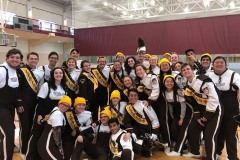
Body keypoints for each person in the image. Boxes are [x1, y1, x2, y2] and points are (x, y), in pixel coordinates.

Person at [181, 63, 222, 160]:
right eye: (183, 70)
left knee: (209, 137)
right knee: (192, 130)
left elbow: (214, 98)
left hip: (215, 109)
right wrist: (197, 116)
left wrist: (207, 116)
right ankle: (195, 152)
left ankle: (211, 158)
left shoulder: (203, 80)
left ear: (192, 70)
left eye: (188, 69)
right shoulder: (187, 85)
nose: (186, 71)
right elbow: (193, 102)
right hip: (202, 110)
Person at [26, 67, 68, 160]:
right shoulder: (46, 85)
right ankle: (29, 157)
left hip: (55, 116)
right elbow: (40, 101)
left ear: (63, 75)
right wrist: (40, 115)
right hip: (44, 113)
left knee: (49, 136)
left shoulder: (65, 87)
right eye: (56, 73)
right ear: (53, 75)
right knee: (36, 135)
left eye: (60, 73)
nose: (58, 74)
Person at [209, 56, 240, 160]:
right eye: (216, 62)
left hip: (231, 108)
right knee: (218, 133)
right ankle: (217, 152)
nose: (219, 64)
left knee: (231, 135)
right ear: (213, 65)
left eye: (221, 62)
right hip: (216, 108)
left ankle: (233, 157)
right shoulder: (209, 75)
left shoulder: (234, 75)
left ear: (226, 64)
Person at [17, 52, 44, 158]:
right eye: (31, 59)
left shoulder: (39, 72)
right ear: (28, 59)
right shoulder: (21, 70)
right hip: (24, 104)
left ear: (38, 60)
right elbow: (17, 88)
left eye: (35, 59)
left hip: (35, 104)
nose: (33, 60)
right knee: (25, 127)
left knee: (33, 128)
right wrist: (19, 103)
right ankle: (23, 151)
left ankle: (30, 149)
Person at [160, 75, 192, 156]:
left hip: (187, 112)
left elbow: (183, 105)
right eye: (167, 81)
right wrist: (172, 116)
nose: (169, 83)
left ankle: (178, 151)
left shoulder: (178, 91)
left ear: (174, 82)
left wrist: (181, 118)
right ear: (164, 83)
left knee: (183, 130)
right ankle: (184, 147)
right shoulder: (164, 92)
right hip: (177, 112)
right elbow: (170, 105)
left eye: (171, 81)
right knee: (174, 128)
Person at [0, 48, 23, 160]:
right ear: (7, 58)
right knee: (8, 135)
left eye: (17, 57)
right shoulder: (2, 70)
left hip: (10, 109)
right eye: (12, 57)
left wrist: (19, 104)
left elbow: (16, 91)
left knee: (5, 135)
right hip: (1, 108)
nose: (15, 59)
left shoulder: (16, 71)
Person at [37, 95, 72, 160]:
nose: (64, 107)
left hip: (47, 144)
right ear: (59, 103)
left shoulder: (56, 110)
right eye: (63, 104)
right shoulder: (58, 114)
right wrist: (60, 150)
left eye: (67, 106)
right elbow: (56, 135)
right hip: (47, 146)